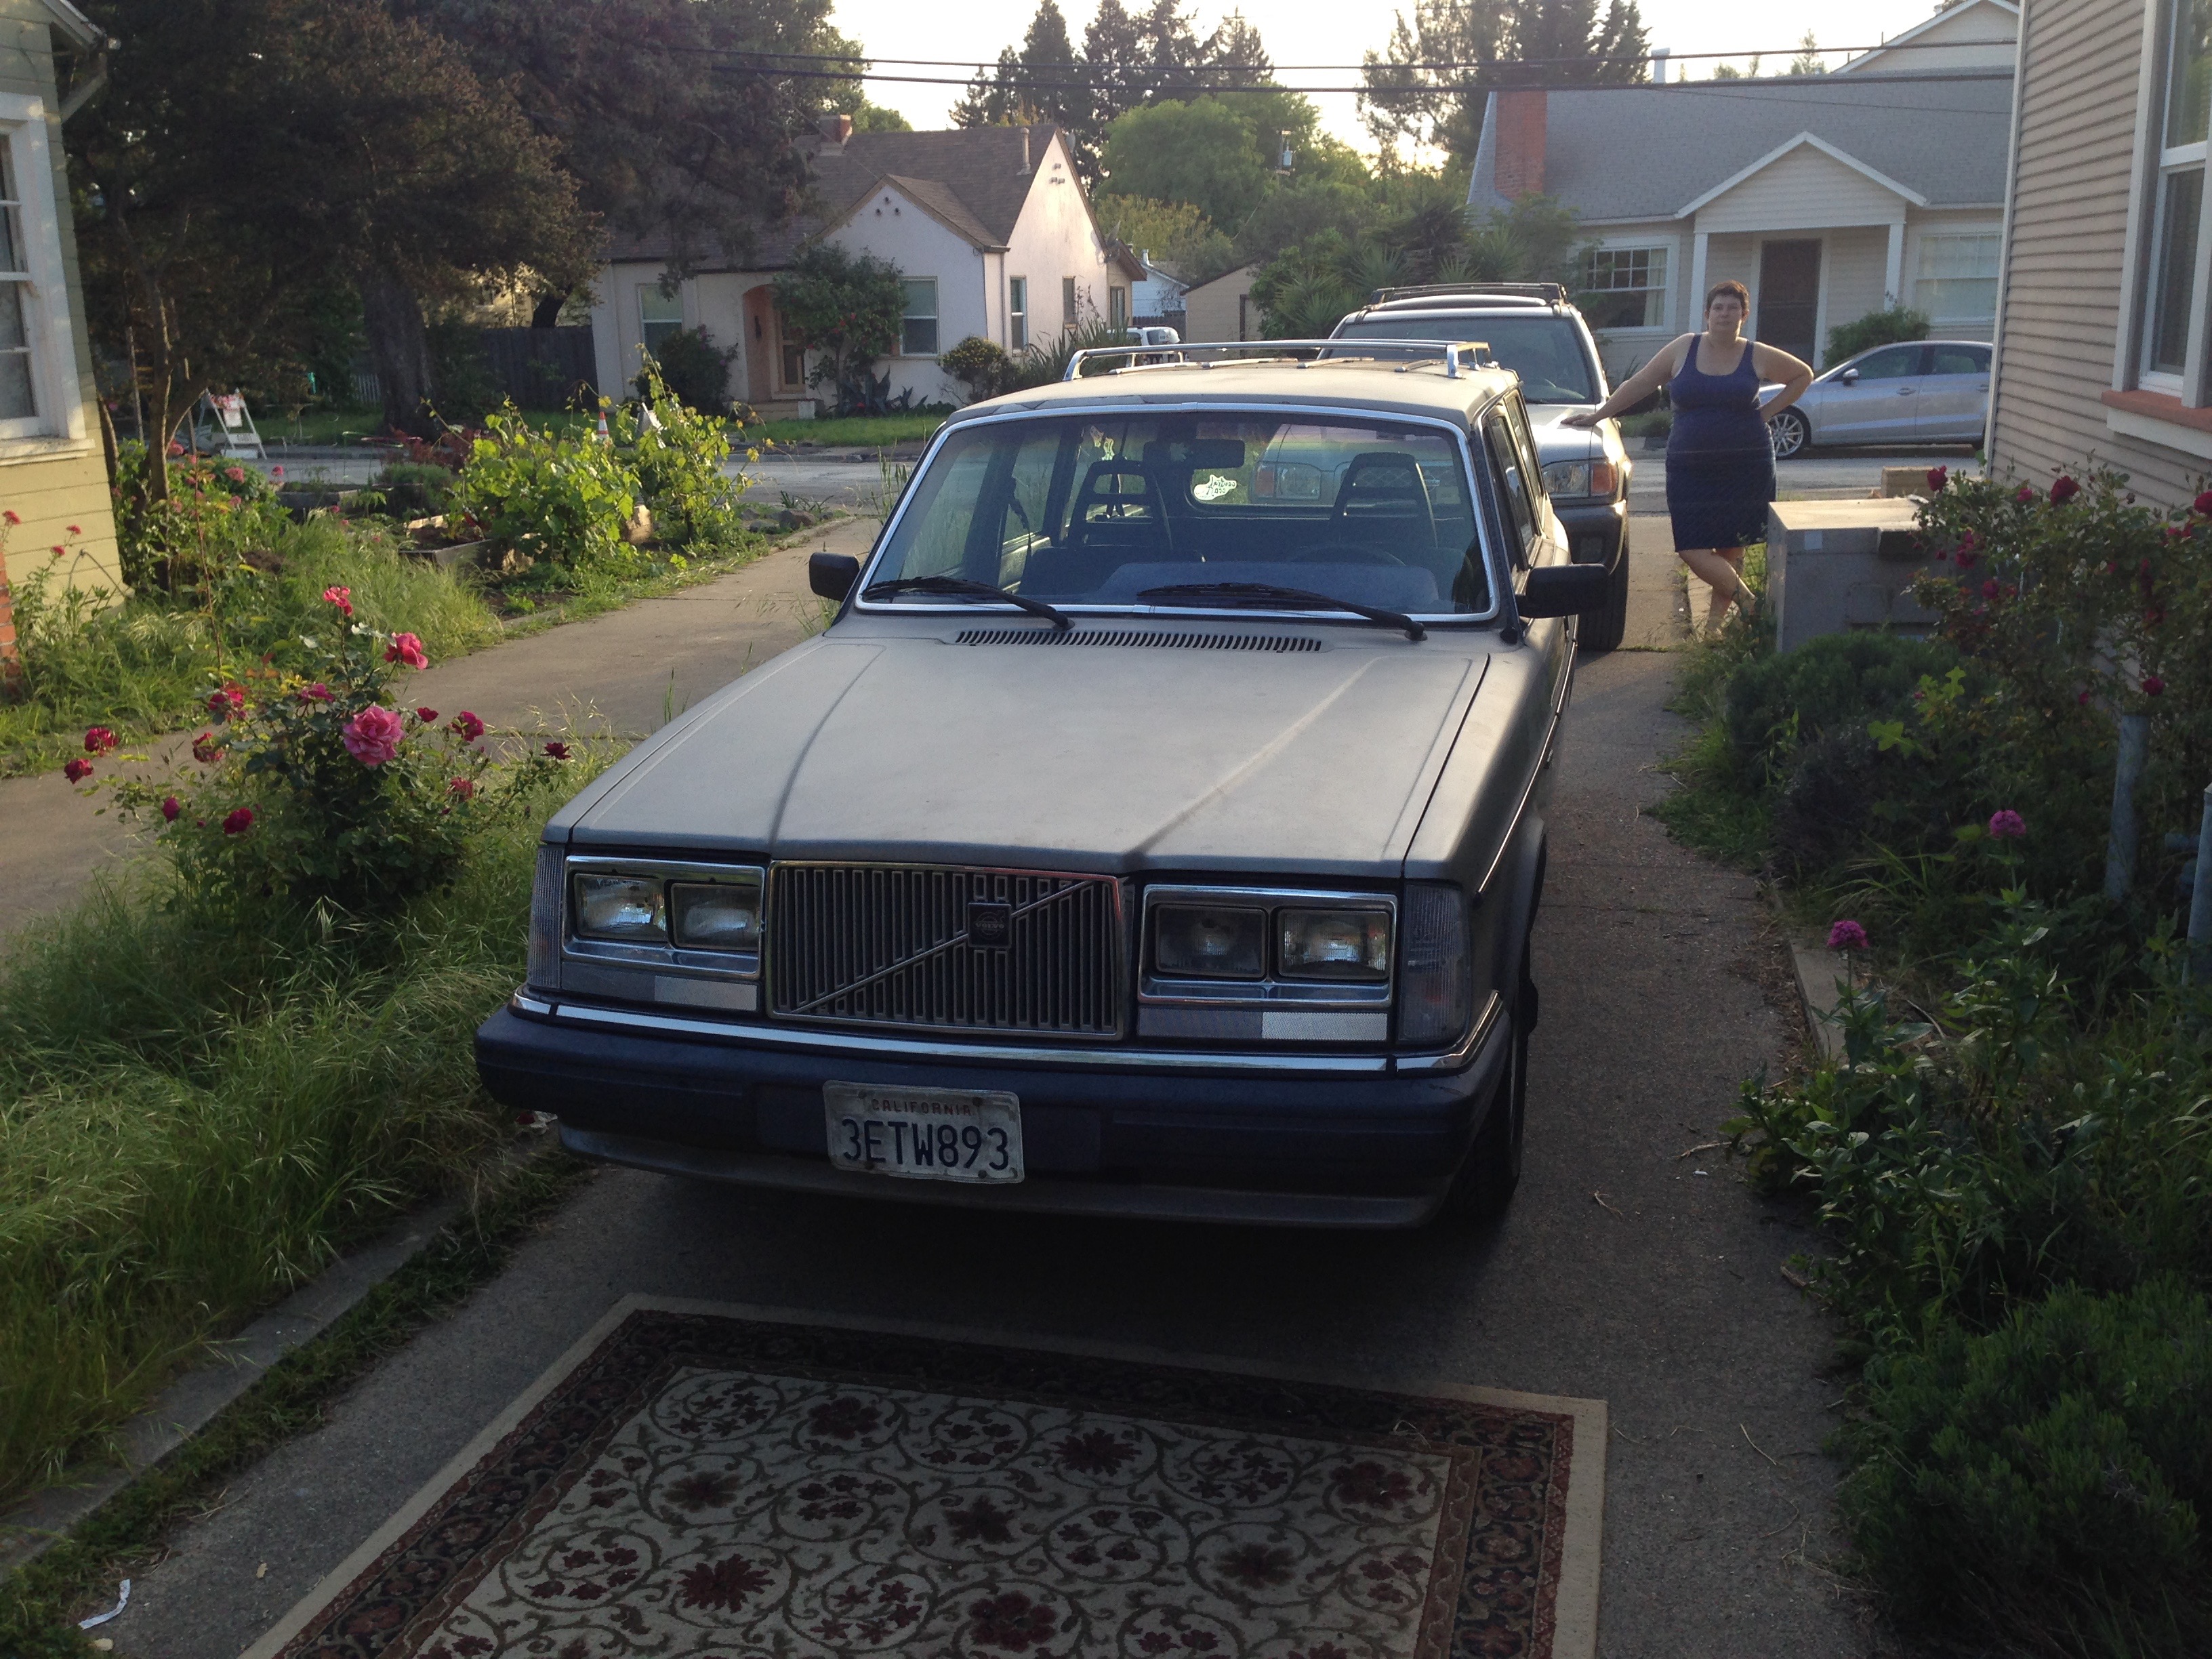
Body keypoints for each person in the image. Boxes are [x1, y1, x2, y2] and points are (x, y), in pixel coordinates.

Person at [1565, 281, 1813, 632]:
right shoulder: (1685, 348)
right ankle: (1751, 606)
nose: (1724, 314)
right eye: (1718, 307)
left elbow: (1802, 375)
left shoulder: (1755, 354)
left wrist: (1767, 412)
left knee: (1731, 546)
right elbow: (1640, 383)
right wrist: (1598, 416)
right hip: (1689, 464)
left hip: (1746, 461)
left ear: (1744, 314)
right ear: (1707, 313)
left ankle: (1713, 629)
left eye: (1732, 308)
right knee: (1691, 546)